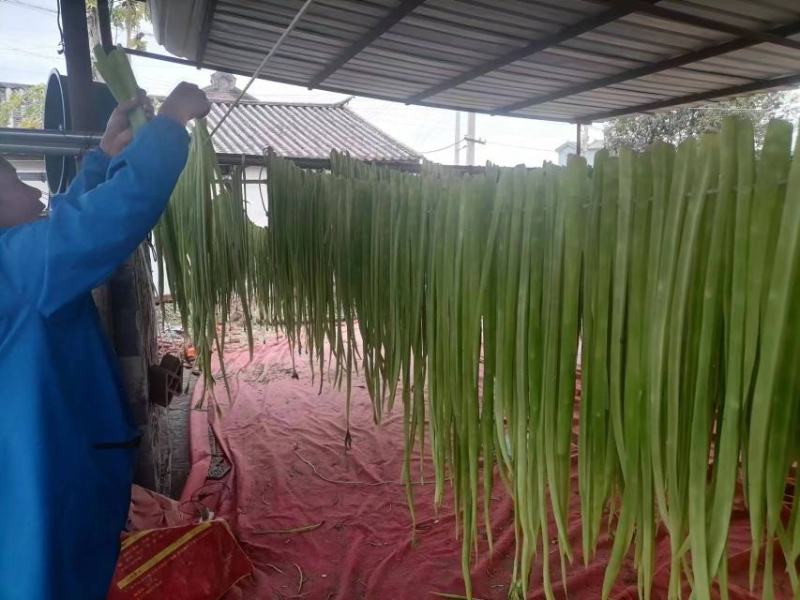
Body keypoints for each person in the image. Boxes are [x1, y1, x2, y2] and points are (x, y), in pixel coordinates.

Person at [0, 81, 210, 599]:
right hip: (45, 478)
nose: (34, 192)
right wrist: (171, 122)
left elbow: (68, 230)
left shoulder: (20, 267)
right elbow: (102, 222)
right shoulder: (17, 265)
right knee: (46, 574)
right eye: (13, 183)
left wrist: (102, 158)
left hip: (25, 470)